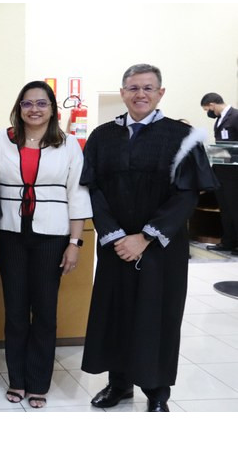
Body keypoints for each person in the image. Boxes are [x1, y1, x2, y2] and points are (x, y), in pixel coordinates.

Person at [81, 64, 217, 412]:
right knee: (117, 312)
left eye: (148, 88)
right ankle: (119, 385)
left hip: (161, 247)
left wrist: (145, 237)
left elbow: (187, 194)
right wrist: (114, 236)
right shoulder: (102, 136)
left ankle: (157, 390)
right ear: (123, 92)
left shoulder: (181, 136)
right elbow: (92, 189)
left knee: (157, 315)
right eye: (133, 88)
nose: (140, 94)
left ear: (160, 93)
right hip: (115, 246)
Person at [0, 80, 92, 409]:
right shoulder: (2, 140)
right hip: (10, 232)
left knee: (44, 310)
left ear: (52, 110)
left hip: (52, 235)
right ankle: (16, 379)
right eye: (27, 103)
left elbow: (77, 193)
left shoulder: (69, 144)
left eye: (41, 104)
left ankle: (38, 382)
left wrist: (75, 242)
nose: (34, 109)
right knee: (15, 310)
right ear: (19, 108)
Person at [200, 92, 238, 253]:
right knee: (226, 209)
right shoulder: (219, 119)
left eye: (207, 109)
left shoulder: (235, 116)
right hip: (222, 172)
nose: (208, 112)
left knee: (235, 209)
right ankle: (228, 241)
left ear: (212, 104)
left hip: (234, 173)